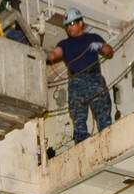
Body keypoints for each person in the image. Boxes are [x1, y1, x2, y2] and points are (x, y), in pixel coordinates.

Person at [46, 7, 114, 144]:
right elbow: (55, 53)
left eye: (71, 24)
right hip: (76, 81)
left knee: (102, 111)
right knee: (78, 115)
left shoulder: (92, 37)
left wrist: (100, 45)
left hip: (94, 78)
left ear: (80, 23)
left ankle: (108, 138)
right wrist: (47, 55)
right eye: (67, 26)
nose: (69, 28)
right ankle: (82, 141)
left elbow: (109, 51)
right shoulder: (65, 44)